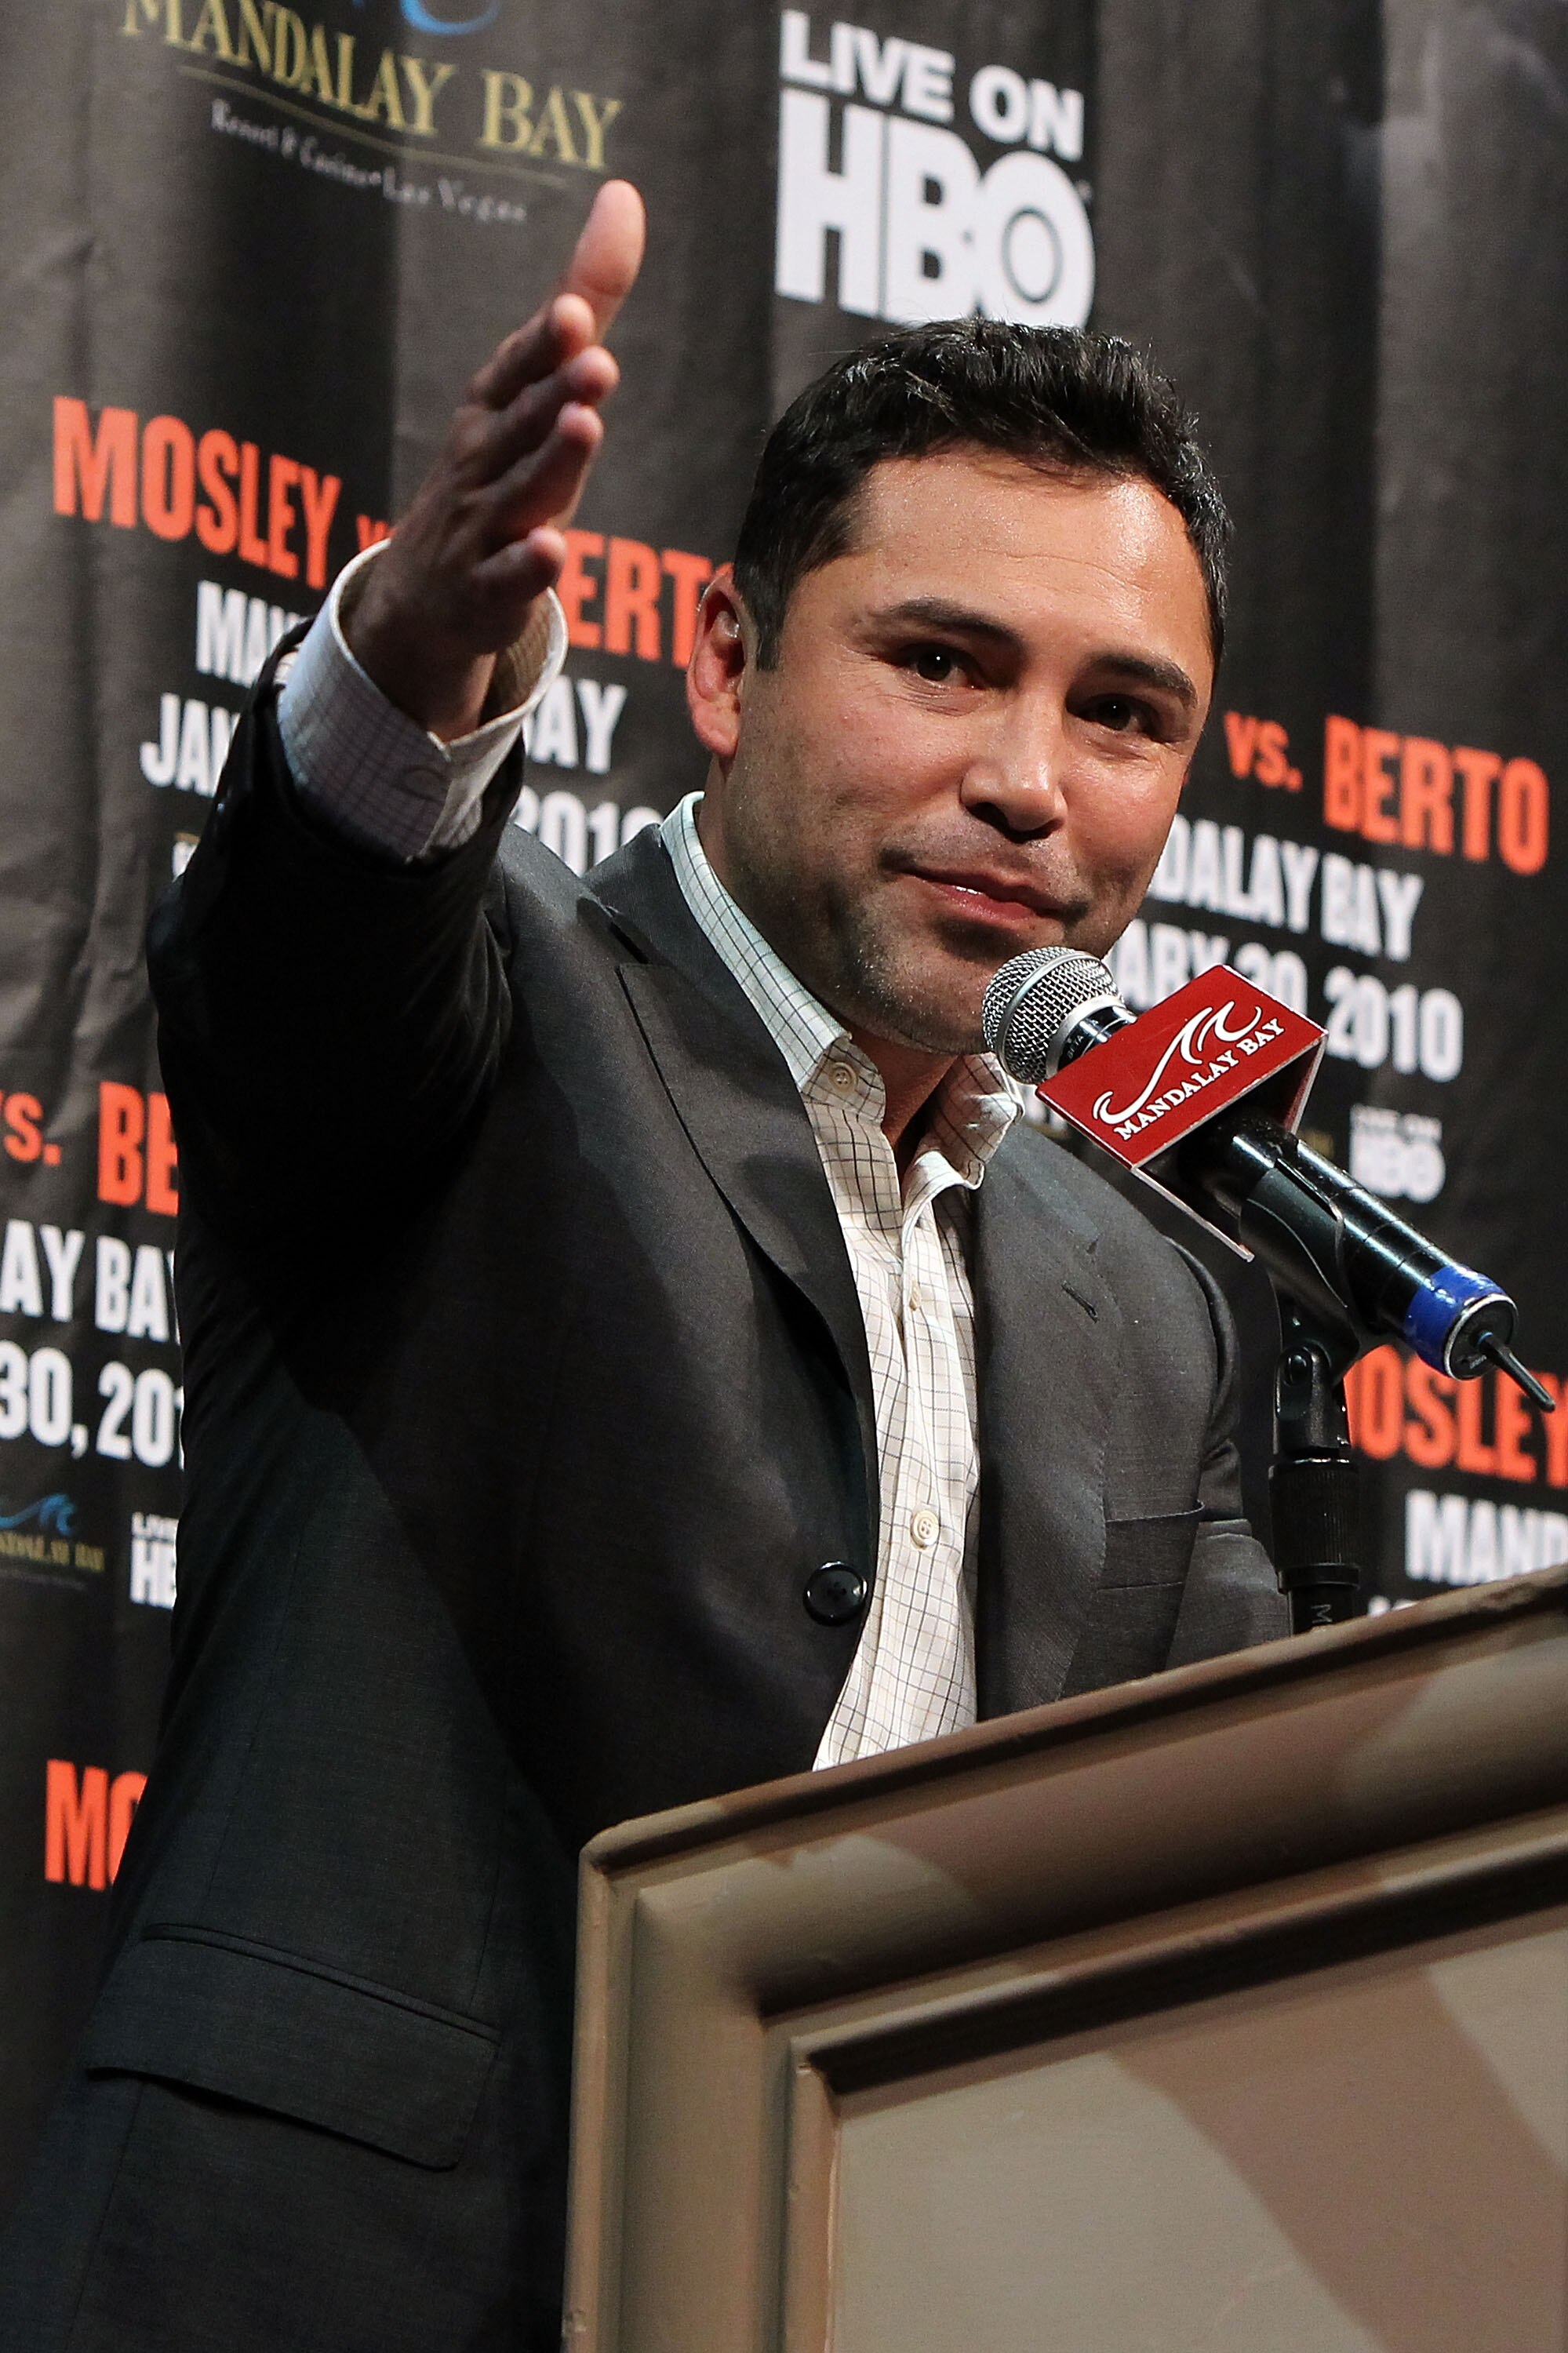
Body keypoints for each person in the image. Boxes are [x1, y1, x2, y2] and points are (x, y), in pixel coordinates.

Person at [0, 181, 1284, 2351]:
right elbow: (319, 941)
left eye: (1125, 716)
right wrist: (422, 652)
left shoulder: (1152, 1295)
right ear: (726, 661)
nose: (1028, 784)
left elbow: (1247, 1842)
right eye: (942, 662)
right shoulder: (497, 1017)